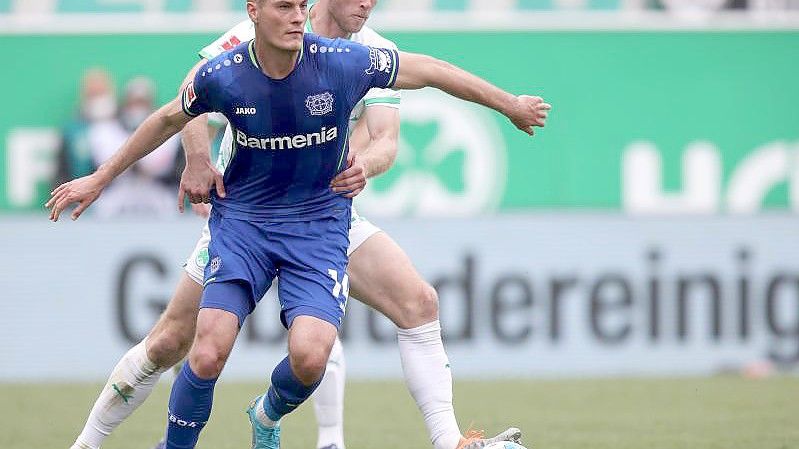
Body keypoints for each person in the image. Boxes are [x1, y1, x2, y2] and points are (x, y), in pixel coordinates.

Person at [47, 1, 550, 448]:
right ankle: (90, 442)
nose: (369, 5)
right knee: (176, 346)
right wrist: (191, 160)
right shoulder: (251, 38)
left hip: (324, 207)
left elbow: (391, 131)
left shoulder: (361, 54)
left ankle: (439, 440)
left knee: (407, 307)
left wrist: (370, 164)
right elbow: (182, 105)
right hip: (243, 211)